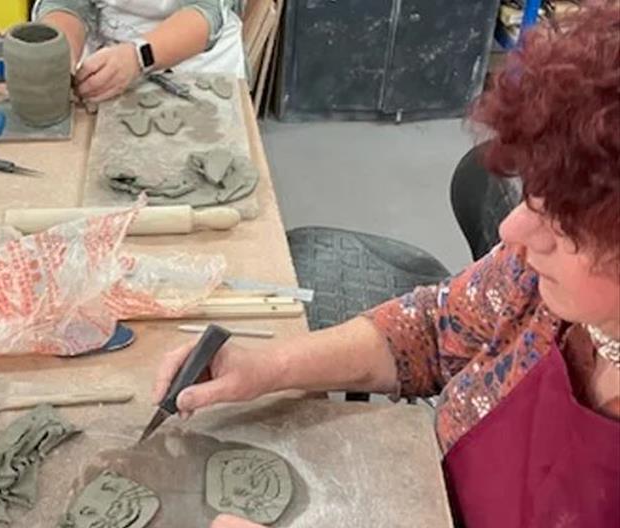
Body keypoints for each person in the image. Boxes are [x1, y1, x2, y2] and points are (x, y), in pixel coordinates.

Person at [152, 2, 620, 527]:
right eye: (532, 194)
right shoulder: (537, 282)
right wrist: (268, 367)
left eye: (564, 222)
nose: (512, 230)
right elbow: (433, 329)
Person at [33, 0, 246, 102]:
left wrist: (138, 56)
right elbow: (65, 4)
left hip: (197, 56)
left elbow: (208, 12)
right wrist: (60, 52)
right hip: (106, 56)